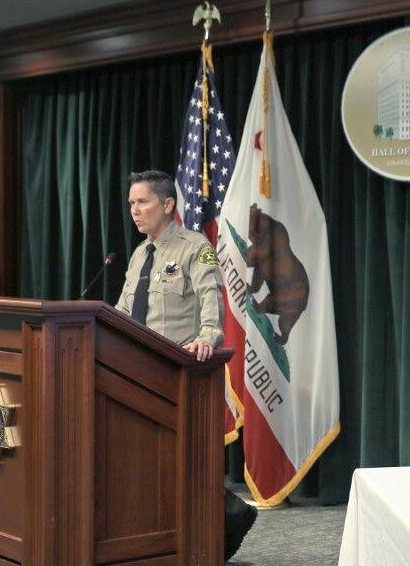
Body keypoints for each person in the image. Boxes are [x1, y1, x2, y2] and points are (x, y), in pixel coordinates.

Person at [112, 170, 256, 561]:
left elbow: (212, 298)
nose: (134, 210)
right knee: (150, 462)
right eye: (131, 203)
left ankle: (228, 519)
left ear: (168, 204)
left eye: (142, 202)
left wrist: (208, 336)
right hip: (136, 370)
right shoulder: (139, 254)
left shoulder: (196, 247)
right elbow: (124, 310)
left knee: (183, 463)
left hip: (178, 371)